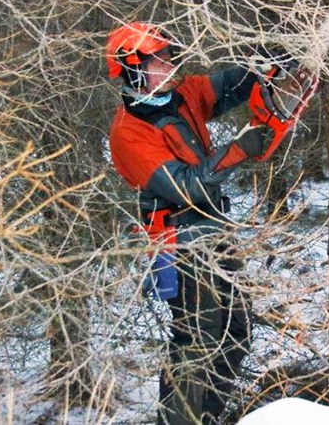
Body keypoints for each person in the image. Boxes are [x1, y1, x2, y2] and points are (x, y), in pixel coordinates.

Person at [105, 22, 271, 425]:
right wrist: (238, 150)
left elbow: (230, 84)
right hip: (180, 241)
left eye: (167, 57)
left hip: (215, 232)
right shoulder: (129, 132)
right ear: (132, 69)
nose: (168, 66)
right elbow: (184, 186)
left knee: (236, 330)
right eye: (158, 60)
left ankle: (208, 417)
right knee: (195, 341)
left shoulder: (183, 95)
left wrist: (265, 59)